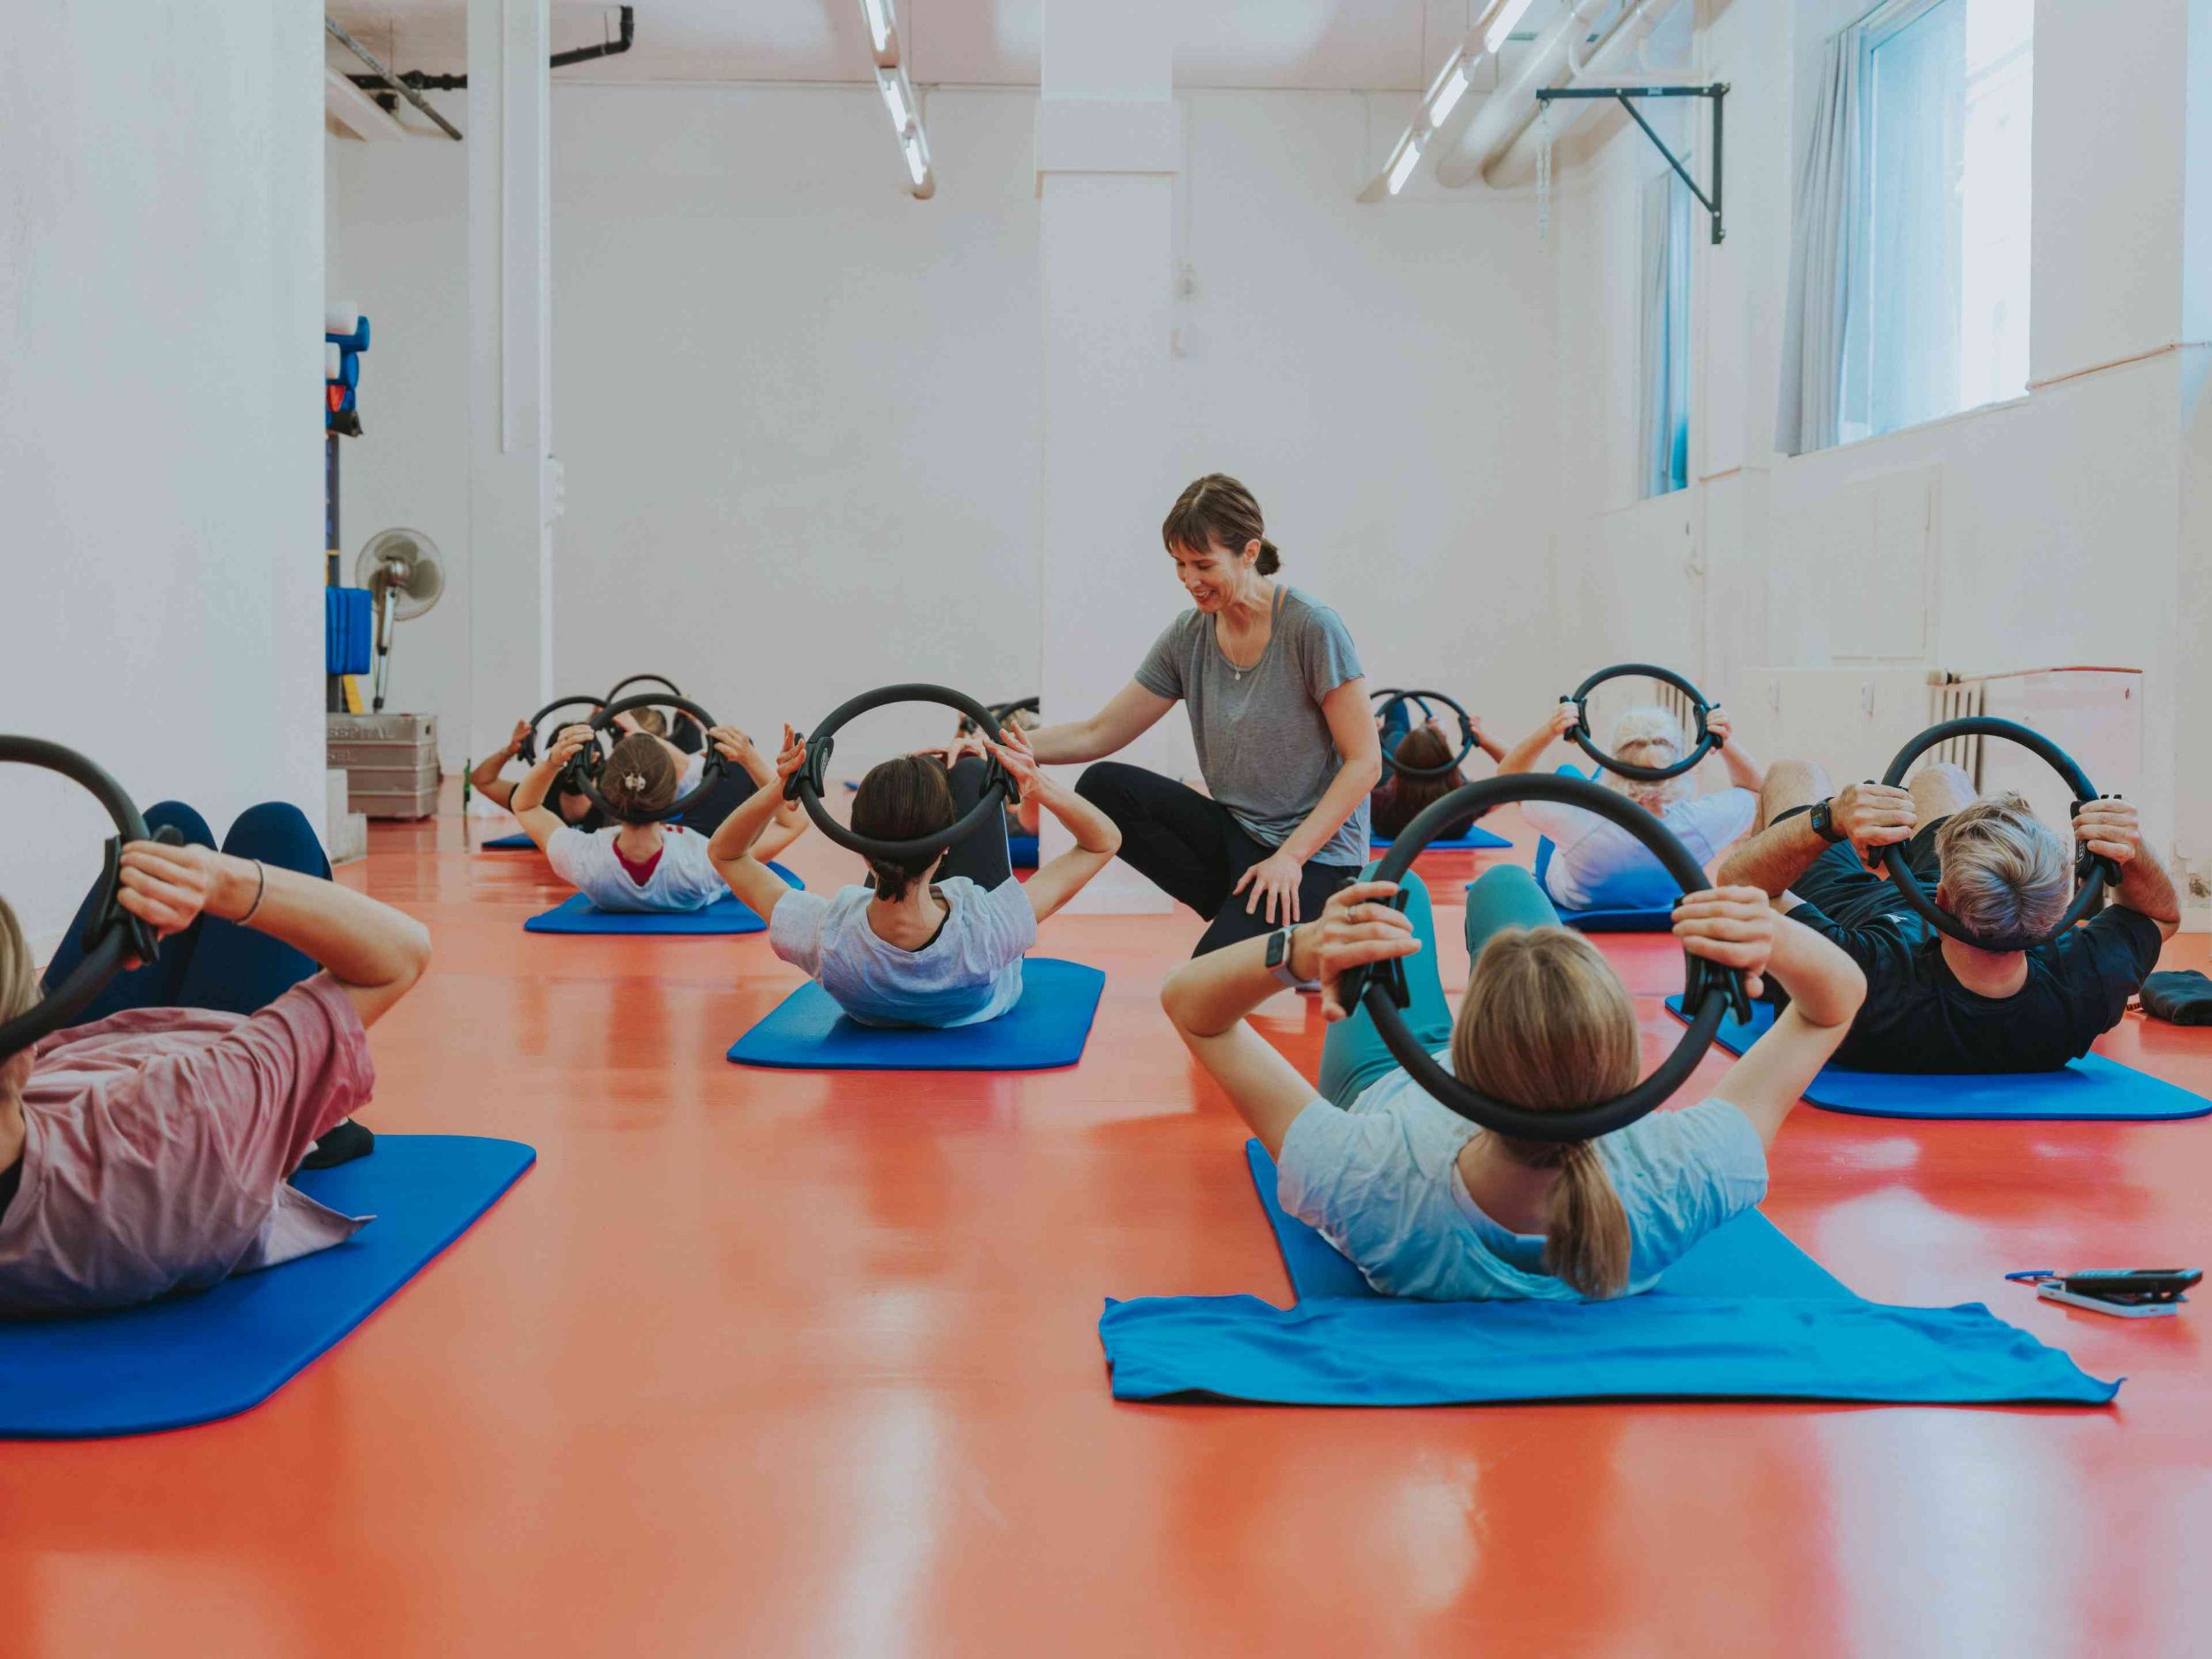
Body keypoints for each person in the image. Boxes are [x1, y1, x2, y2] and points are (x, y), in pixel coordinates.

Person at [1159, 867, 1865, 1301]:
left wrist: (1303, 949)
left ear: (1463, 1059)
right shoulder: (1681, 1171)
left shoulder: (1365, 1177)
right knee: (1505, 888)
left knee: (1391, 891)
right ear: (1626, 1071)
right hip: (1457, 1086)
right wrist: (1768, 932)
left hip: (1387, 1078)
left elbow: (1192, 1006)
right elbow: (1834, 1002)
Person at [0, 810, 433, 1314]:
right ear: (21, 1044)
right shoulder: (191, 1121)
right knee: (273, 828)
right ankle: (320, 1111)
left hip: (81, 1051)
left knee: (166, 829)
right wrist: (221, 882)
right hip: (220, 1038)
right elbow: (401, 954)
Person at [1023, 474, 1380, 958]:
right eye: (1179, 564)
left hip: (1312, 857)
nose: (1190, 580)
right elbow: (1097, 733)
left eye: (1203, 564)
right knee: (1103, 787)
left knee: (1202, 982)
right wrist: (994, 742)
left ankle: (1304, 921)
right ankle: (1249, 916)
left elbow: (1365, 762)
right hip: (1238, 837)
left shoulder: (1311, 627)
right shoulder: (1189, 634)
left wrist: (1290, 858)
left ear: (1249, 552)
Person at [1714, 757, 2178, 1073]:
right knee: (1942, 775)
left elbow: (1739, 887)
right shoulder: (2083, 982)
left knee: (1797, 772)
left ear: (1939, 897)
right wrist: (2128, 849)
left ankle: (1763, 967)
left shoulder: (1859, 974)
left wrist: (1829, 819)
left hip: (1849, 907)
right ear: (2058, 912)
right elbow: (2161, 913)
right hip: (1978, 895)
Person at [711, 725, 1118, 1028]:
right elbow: (1102, 841)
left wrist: (781, 787)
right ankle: (963, 763)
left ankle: (937, 773)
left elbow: (726, 854)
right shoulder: (992, 927)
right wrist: (1035, 783)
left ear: (862, 851)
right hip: (972, 967)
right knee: (973, 774)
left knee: (917, 784)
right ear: (947, 845)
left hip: (869, 961)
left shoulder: (825, 935)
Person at [1496, 702, 1764, 913]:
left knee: (1567, 777)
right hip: (1662, 896)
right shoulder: (1698, 823)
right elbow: (1755, 790)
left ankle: (1610, 770)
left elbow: (1507, 781)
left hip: (1575, 897)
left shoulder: (1577, 819)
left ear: (1615, 760)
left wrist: (1551, 729)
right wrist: (1723, 741)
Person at [514, 724, 802, 913]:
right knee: (733, 771)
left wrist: (553, 759)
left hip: (680, 847)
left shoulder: (584, 859)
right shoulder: (711, 859)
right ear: (674, 794)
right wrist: (752, 759)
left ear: (606, 791)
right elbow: (793, 821)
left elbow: (525, 806)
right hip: (694, 847)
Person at [1371, 714, 1509, 841]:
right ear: (1448, 759)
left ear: (1400, 765)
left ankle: (1424, 736)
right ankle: (1432, 738)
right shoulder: (1465, 802)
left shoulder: (1379, 802)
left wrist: (1365, 738)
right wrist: (1483, 739)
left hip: (1398, 794)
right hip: (1445, 788)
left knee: (1396, 730)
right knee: (1407, 732)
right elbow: (1516, 773)